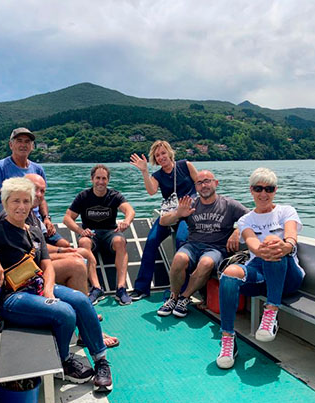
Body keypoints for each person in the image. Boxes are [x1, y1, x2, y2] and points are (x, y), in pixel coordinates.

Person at [0, 177, 113, 392]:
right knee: (65, 312)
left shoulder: (34, 231)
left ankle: (101, 361)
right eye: (15, 201)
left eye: (25, 201)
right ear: (6, 202)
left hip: (37, 288)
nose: (21, 206)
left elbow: (46, 265)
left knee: (81, 300)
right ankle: (64, 361)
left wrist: (48, 289)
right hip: (13, 298)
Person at [216, 167, 305, 370]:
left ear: (275, 191)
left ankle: (271, 311)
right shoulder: (245, 220)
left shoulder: (286, 211)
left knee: (273, 242)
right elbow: (252, 243)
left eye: (269, 189)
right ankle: (228, 338)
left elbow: (291, 235)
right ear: (251, 190)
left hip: (288, 274)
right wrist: (264, 249)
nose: (263, 194)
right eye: (258, 188)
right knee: (229, 273)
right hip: (259, 270)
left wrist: (286, 245)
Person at [24, 174, 119, 348]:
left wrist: (65, 250)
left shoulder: (32, 216)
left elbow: (39, 248)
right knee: (76, 264)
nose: (39, 194)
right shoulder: (18, 215)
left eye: (42, 191)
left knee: (81, 255)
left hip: (38, 262)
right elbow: (34, 253)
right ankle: (86, 329)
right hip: (30, 271)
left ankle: (87, 311)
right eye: (35, 189)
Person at [157, 170, 249, 318]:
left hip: (216, 249)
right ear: (196, 187)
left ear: (216, 183)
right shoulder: (191, 204)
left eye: (207, 181)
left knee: (206, 262)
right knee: (179, 258)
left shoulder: (229, 204)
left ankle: (184, 298)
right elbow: (163, 221)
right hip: (193, 246)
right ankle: (173, 297)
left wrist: (238, 231)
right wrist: (178, 214)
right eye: (199, 183)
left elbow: (251, 218)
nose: (204, 185)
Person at [129, 141, 198, 301]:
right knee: (151, 241)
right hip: (170, 213)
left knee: (182, 240)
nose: (161, 157)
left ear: (170, 153)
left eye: (163, 153)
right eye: (157, 155)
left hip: (187, 213)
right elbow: (151, 191)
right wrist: (144, 172)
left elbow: (199, 183)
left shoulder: (185, 165)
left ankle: (183, 290)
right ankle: (141, 288)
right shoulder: (157, 176)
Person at [63, 164, 135, 306]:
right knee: (83, 243)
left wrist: (126, 221)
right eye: (98, 178)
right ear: (92, 179)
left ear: (108, 180)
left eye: (104, 178)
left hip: (110, 232)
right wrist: (80, 231)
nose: (100, 182)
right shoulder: (83, 196)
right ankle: (96, 288)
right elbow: (67, 218)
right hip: (91, 233)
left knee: (120, 241)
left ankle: (121, 288)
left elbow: (130, 211)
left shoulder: (114, 196)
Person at [0, 127, 51, 236]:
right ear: (11, 145)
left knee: (62, 243)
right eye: (19, 141)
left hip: (34, 220)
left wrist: (46, 218)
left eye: (27, 142)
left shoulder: (38, 169)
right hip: (8, 219)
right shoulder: (0, 167)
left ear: (32, 146)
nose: (23, 145)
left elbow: (41, 198)